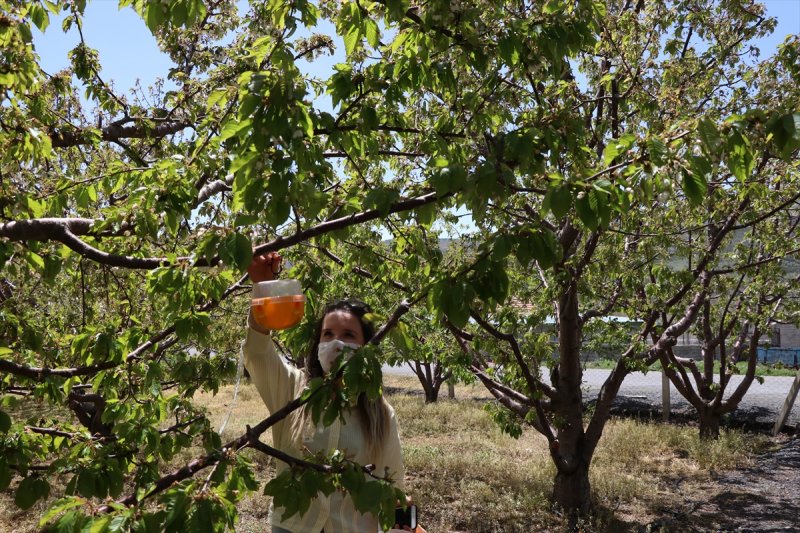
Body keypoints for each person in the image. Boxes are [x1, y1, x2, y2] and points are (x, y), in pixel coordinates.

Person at [244, 252, 411, 533]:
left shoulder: (380, 413)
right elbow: (257, 351)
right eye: (328, 334)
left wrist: (406, 525)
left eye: (348, 335)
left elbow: (396, 487)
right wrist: (263, 289)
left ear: (366, 348)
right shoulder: (292, 390)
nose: (336, 344)